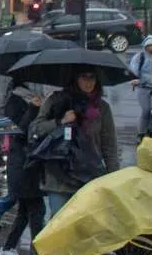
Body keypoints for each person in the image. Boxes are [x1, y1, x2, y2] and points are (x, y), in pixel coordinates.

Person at [29, 68, 118, 222]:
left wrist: (113, 177)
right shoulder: (56, 101)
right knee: (59, 223)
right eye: (84, 77)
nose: (88, 82)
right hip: (58, 175)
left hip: (89, 175)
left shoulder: (102, 108)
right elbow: (35, 129)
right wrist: (61, 121)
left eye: (92, 77)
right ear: (75, 79)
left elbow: (109, 145)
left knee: (84, 224)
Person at [0, 83, 49, 255]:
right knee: (36, 209)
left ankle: (8, 248)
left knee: (26, 212)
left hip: (32, 163)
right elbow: (18, 131)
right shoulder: (14, 101)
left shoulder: (35, 99)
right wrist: (33, 108)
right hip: (21, 164)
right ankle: (38, 253)